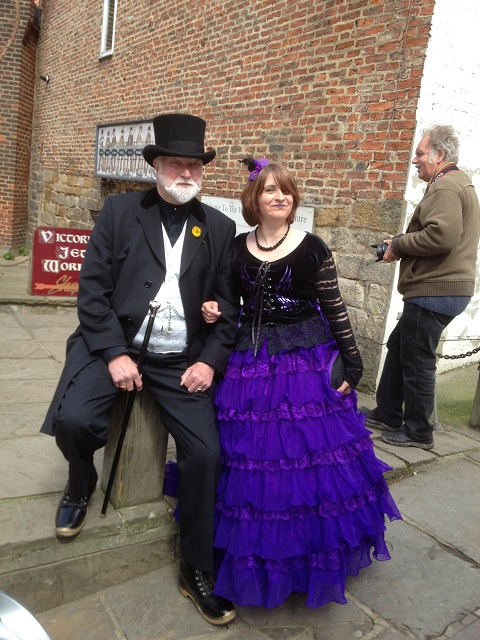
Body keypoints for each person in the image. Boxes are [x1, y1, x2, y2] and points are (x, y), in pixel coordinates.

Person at [40, 114, 239, 626]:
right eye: (176, 162)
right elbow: (92, 293)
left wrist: (209, 362)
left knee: (205, 454)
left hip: (181, 361)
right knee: (74, 420)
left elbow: (228, 311)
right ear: (157, 166)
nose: (186, 171)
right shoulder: (120, 212)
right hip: (116, 344)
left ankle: (195, 569)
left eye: (194, 164)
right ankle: (81, 479)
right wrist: (113, 353)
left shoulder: (218, 227)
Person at [201, 156, 401, 608]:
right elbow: (227, 301)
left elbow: (334, 308)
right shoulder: (236, 246)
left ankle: (311, 559)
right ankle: (255, 557)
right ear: (255, 198)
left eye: (286, 190)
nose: (280, 197)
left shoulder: (312, 247)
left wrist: (352, 363)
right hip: (250, 363)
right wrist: (212, 307)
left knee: (306, 461)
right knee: (253, 463)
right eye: (270, 190)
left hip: (304, 363)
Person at [363, 125, 480, 450]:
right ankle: (387, 412)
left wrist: (399, 246)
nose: (414, 159)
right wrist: (398, 242)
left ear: (439, 155)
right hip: (441, 291)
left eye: (419, 152)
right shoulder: (455, 183)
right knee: (401, 347)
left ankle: (419, 431)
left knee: (417, 361)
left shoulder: (446, 188)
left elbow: (441, 236)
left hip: (435, 292)